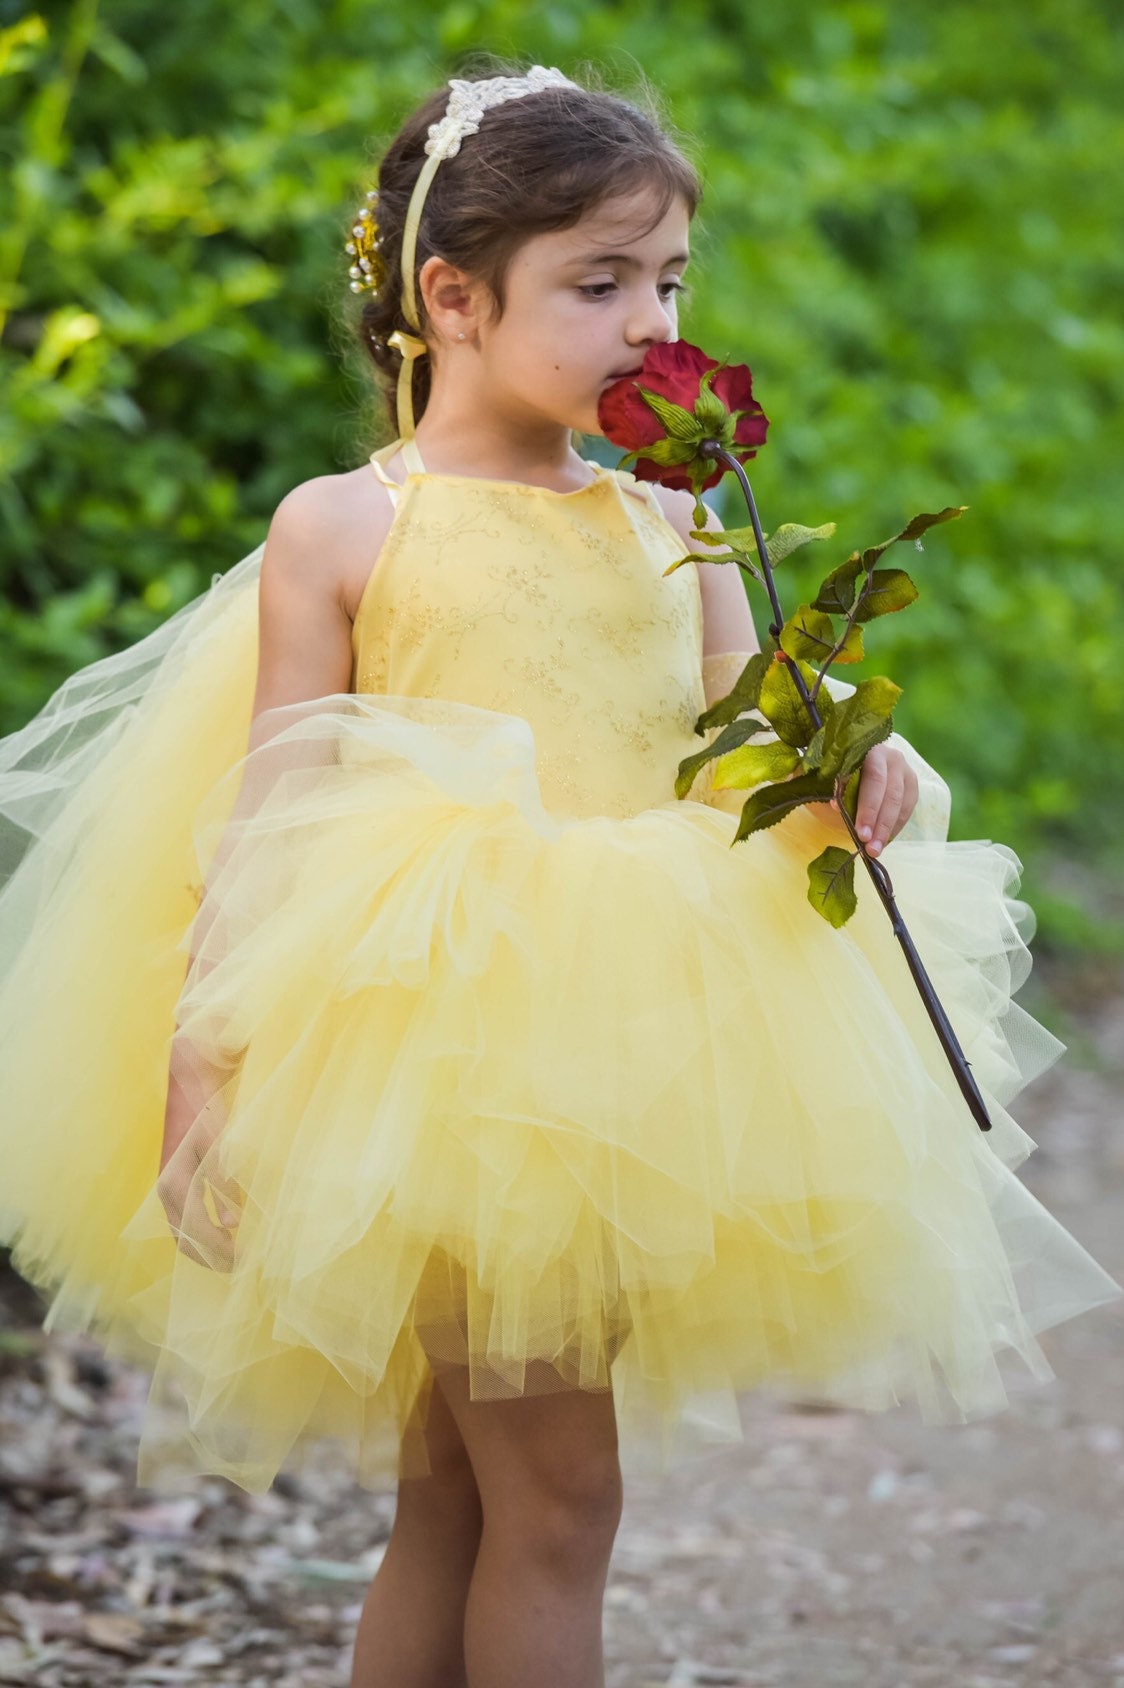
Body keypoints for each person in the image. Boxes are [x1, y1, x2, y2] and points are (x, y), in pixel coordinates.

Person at [0, 59, 1119, 1688]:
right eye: (598, 285)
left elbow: (739, 743)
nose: (648, 324)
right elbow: (273, 807)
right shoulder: (350, 528)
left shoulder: (678, 521)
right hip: (434, 1056)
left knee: (462, 1490)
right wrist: (204, 1051)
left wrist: (840, 768)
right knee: (559, 1493)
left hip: (631, 1042)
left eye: (667, 282)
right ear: (451, 297)